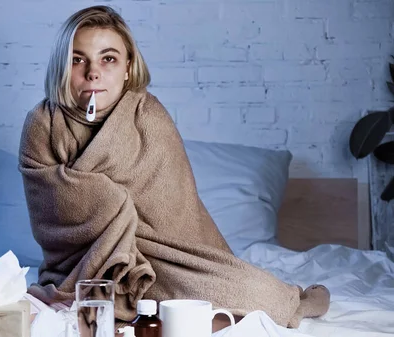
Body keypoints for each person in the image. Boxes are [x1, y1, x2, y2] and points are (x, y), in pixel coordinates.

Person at [18, 5, 330, 332]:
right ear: (62, 68)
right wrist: (108, 199)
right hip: (82, 265)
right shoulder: (43, 123)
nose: (93, 72)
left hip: (166, 261)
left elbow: (176, 212)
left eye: (108, 59)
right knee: (48, 307)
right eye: (78, 59)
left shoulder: (148, 115)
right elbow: (51, 213)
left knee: (260, 295)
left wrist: (98, 193)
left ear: (127, 67)